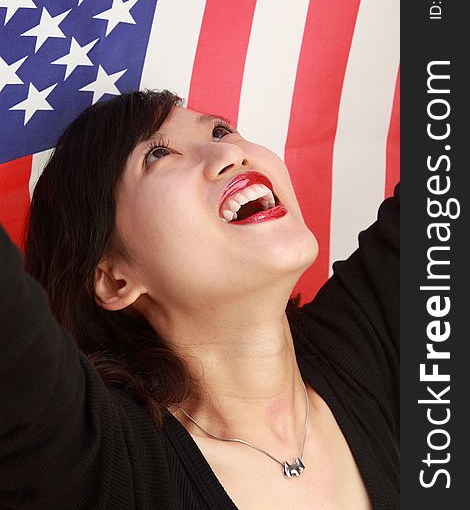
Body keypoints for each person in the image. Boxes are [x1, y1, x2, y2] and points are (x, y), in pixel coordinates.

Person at [0, 89, 399, 510]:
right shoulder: (103, 466)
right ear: (115, 280)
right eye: (156, 155)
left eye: (221, 131)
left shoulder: (366, 349)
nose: (229, 154)